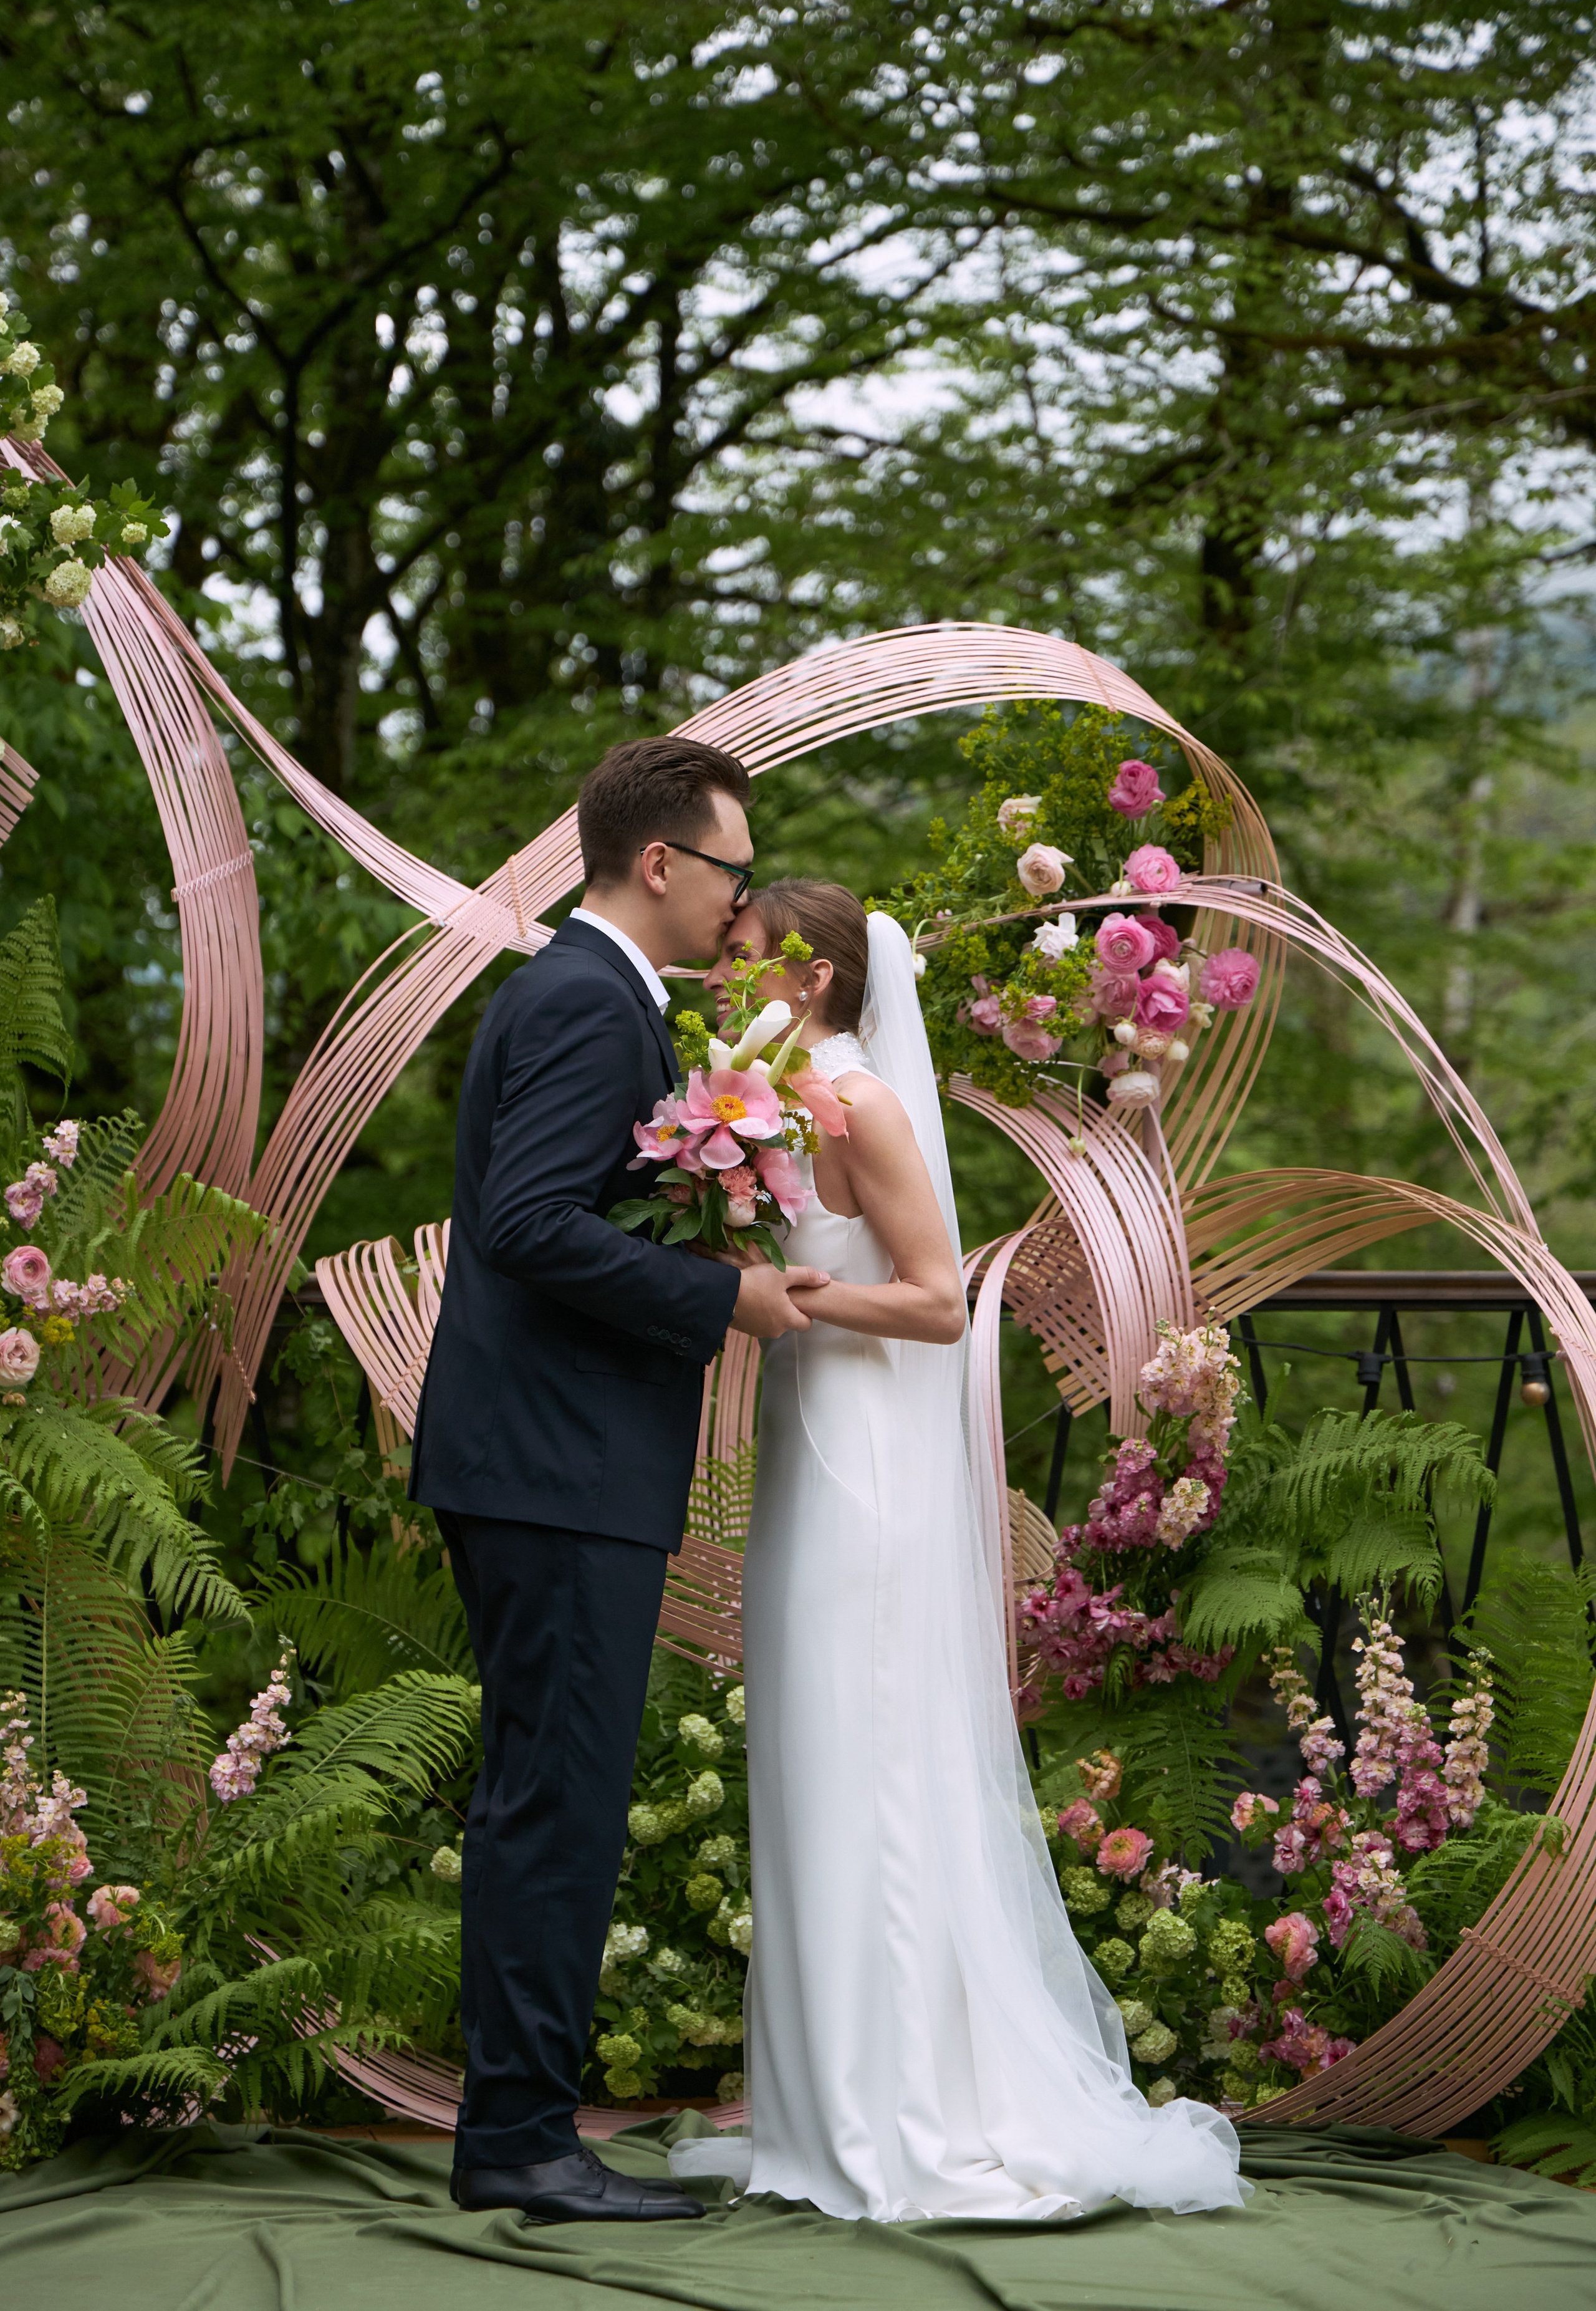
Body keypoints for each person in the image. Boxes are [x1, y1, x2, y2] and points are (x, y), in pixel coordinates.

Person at [671, 879, 1247, 2222]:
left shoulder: (859, 1100)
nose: (720, 974)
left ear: (807, 978)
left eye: (741, 955)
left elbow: (935, 1300)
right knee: (814, 1755)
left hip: (866, 1457)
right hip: (809, 1451)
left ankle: (901, 2113)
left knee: (865, 1749)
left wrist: (786, 1300)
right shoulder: (772, 1100)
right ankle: (821, 2110)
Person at [410, 741, 830, 2224]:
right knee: (557, 1806)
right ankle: (522, 2140)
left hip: (542, 1457)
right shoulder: (591, 1004)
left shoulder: (585, 997)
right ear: (660, 863)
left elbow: (557, 1210)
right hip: (554, 1460)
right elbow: (524, 1222)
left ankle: (516, 2127)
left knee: (548, 1795)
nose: (737, 905)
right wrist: (722, 1301)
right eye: (729, 870)